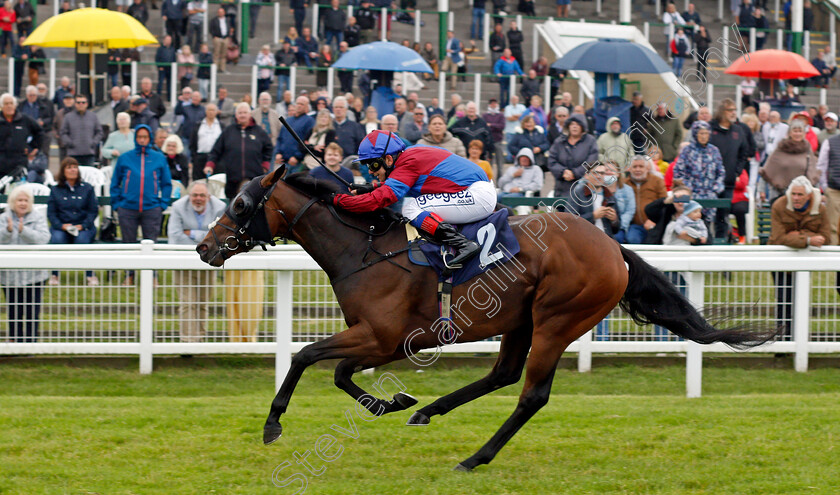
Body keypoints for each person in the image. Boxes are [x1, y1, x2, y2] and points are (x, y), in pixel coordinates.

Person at [332, 130, 496, 268]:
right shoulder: (408, 156)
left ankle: (464, 244)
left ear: (389, 159)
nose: (371, 171)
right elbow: (403, 182)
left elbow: (381, 199)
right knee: (414, 206)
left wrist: (339, 201)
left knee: (411, 208)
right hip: (477, 191)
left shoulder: (408, 163)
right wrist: (371, 187)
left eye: (373, 165)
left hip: (477, 195)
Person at [110, 124, 172, 285]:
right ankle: (129, 276)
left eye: (145, 137)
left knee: (151, 243)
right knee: (128, 244)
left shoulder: (159, 158)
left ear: (150, 139)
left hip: (151, 208)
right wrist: (117, 204)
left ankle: (152, 277)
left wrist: (162, 204)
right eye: (139, 137)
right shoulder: (125, 158)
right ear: (135, 138)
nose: (142, 140)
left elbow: (166, 183)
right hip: (127, 208)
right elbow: (115, 182)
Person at [769, 177, 829, 335]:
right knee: (783, 301)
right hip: (780, 262)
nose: (795, 198)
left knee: (800, 302)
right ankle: (783, 342)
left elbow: (826, 238)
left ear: (809, 195)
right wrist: (808, 239)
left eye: (800, 195)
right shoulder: (779, 205)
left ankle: (797, 338)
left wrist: (795, 236)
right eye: (793, 194)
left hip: (804, 263)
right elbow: (777, 238)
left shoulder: (821, 209)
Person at [167, 181, 226, 343]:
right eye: (194, 195)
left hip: (208, 262)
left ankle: (199, 338)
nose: (198, 199)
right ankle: (187, 341)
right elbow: (175, 236)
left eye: (201, 195)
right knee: (187, 303)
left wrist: (191, 233)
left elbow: (218, 237)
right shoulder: (178, 207)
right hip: (183, 262)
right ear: (189, 196)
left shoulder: (219, 207)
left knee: (202, 303)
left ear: (209, 196)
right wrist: (205, 239)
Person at [0, 186, 50, 342]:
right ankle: (14, 341)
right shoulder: (3, 217)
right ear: (12, 202)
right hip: (10, 275)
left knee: (32, 310)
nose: (22, 203)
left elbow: (44, 238)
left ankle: (30, 342)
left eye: (26, 200)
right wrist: (8, 231)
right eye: (19, 200)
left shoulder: (38, 217)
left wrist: (24, 231)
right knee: (14, 309)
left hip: (34, 274)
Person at [46, 157, 100, 286]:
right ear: (63, 171)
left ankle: (90, 274)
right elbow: (51, 213)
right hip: (62, 227)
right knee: (57, 239)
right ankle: (54, 274)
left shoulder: (87, 188)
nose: (73, 170)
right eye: (69, 167)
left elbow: (93, 211)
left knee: (82, 240)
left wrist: (83, 225)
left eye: (75, 167)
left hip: (83, 226)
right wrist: (61, 226)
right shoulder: (55, 190)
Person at [205, 103, 273, 199]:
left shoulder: (259, 131)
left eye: (245, 112)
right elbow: (216, 150)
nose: (242, 115)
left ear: (250, 114)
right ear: (236, 115)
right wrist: (210, 164)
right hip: (233, 180)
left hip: (255, 179)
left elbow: (268, 148)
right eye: (240, 113)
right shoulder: (228, 131)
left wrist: (265, 164)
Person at [710, 99, 750, 239]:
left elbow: (744, 153)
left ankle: (721, 242)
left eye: (735, 110)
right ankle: (705, 242)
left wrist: (737, 171)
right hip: (709, 183)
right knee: (706, 214)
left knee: (723, 213)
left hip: (728, 182)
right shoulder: (710, 129)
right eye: (730, 110)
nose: (734, 113)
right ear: (722, 111)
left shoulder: (738, 131)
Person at [673, 121, 726, 225]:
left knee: (708, 223)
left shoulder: (714, 150)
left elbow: (720, 172)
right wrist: (688, 189)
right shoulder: (687, 150)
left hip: (710, 194)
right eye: (701, 133)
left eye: (706, 133)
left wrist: (716, 189)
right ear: (695, 134)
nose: (703, 136)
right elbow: (678, 172)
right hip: (691, 194)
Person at [758, 119, 819, 205]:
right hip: (780, 194)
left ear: (804, 133)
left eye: (800, 131)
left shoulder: (807, 149)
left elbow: (813, 173)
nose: (797, 134)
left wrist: (815, 193)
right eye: (795, 131)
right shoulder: (781, 148)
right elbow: (767, 170)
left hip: (802, 198)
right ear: (789, 133)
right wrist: (761, 190)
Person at [548, 114, 598, 199]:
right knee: (561, 211)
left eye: (578, 124)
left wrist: (575, 173)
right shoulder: (559, 141)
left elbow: (592, 161)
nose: (574, 127)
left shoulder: (590, 141)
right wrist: (563, 171)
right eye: (572, 124)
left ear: (583, 127)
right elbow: (551, 160)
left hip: (582, 186)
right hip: (561, 187)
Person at [568, 162, 621, 239]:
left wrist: (614, 220)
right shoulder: (577, 194)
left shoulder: (609, 196)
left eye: (602, 173)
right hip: (584, 239)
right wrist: (593, 216)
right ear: (586, 175)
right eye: (595, 173)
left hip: (607, 240)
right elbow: (570, 221)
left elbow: (616, 229)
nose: (599, 176)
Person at [623, 155, 667, 244]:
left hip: (654, 223)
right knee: (632, 239)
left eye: (641, 166)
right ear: (630, 169)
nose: (637, 169)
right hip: (635, 225)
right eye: (634, 167)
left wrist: (654, 220)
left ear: (647, 168)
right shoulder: (625, 183)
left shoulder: (657, 181)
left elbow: (664, 203)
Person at [0, 93, 40, 181]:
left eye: (11, 103)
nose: (9, 106)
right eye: (6, 104)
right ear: (1, 106)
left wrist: (32, 147)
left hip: (19, 164)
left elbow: (39, 132)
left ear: (15, 105)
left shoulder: (24, 119)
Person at [209, 7, 233, 73]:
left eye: (222, 12)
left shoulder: (227, 20)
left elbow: (230, 28)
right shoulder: (214, 20)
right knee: (216, 53)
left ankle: (222, 68)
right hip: (217, 38)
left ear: (224, 13)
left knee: (224, 54)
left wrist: (228, 36)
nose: (220, 13)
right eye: (219, 12)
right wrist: (214, 36)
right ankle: (215, 68)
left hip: (225, 38)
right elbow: (211, 29)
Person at [155, 35, 177, 100]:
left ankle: (169, 97)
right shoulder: (160, 49)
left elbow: (174, 59)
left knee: (170, 83)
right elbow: (157, 58)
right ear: (164, 40)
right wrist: (159, 66)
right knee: (160, 82)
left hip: (170, 68)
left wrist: (173, 67)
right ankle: (158, 97)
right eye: (167, 39)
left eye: (170, 40)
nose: (169, 41)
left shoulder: (172, 49)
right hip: (162, 68)